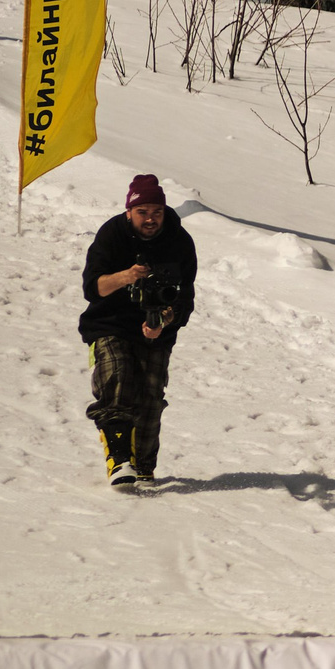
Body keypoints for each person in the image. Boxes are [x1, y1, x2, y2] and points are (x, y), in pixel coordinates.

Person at [79, 174, 197, 487]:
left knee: (149, 399)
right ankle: (119, 461)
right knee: (117, 378)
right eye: (142, 212)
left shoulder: (179, 241)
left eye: (156, 212)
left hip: (157, 328)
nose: (150, 219)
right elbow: (93, 289)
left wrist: (165, 320)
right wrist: (127, 276)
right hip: (109, 322)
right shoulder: (112, 235)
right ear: (129, 211)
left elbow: (185, 299)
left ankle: (143, 470)